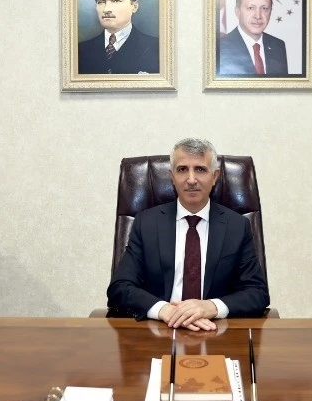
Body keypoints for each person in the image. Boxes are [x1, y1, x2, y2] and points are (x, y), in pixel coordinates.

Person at [107, 138, 269, 331]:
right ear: (172, 176)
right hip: (159, 330)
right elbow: (120, 288)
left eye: (200, 169)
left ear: (215, 176)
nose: (191, 180)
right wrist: (163, 310)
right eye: (182, 169)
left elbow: (257, 293)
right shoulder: (146, 223)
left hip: (216, 331)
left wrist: (211, 307)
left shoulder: (237, 226)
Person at [78, 0, 159, 75]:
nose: (106, 9)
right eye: (101, 2)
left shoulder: (156, 47)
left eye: (116, 1)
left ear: (134, 6)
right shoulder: (80, 50)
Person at [218, 0, 288, 76]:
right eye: (251, 8)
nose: (258, 16)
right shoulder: (220, 47)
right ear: (238, 12)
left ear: (270, 12)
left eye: (264, 8)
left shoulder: (278, 46)